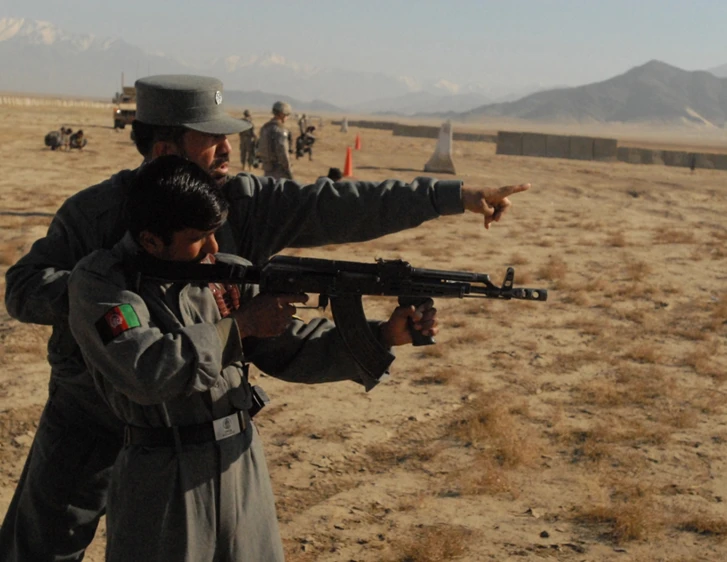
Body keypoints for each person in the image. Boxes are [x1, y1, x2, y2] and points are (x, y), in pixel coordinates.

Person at [2, 73, 530, 561]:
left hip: (204, 422)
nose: (230, 147)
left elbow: (339, 206)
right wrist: (121, 300)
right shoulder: (94, 217)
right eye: (211, 138)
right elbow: (23, 290)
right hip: (90, 409)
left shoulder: (243, 204)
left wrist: (451, 196)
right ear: (165, 150)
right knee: (39, 544)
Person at [66, 155, 437, 561]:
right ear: (151, 239)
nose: (213, 248)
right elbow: (147, 370)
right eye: (199, 237)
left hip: (240, 465)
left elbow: (288, 347)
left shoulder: (222, 275)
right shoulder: (102, 284)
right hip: (162, 479)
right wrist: (238, 327)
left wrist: (383, 335)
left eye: (216, 234)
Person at [258, 100, 294, 180]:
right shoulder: (280, 130)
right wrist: (289, 170)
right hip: (279, 170)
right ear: (282, 114)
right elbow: (283, 151)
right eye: (286, 115)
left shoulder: (265, 128)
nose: (287, 117)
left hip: (267, 169)